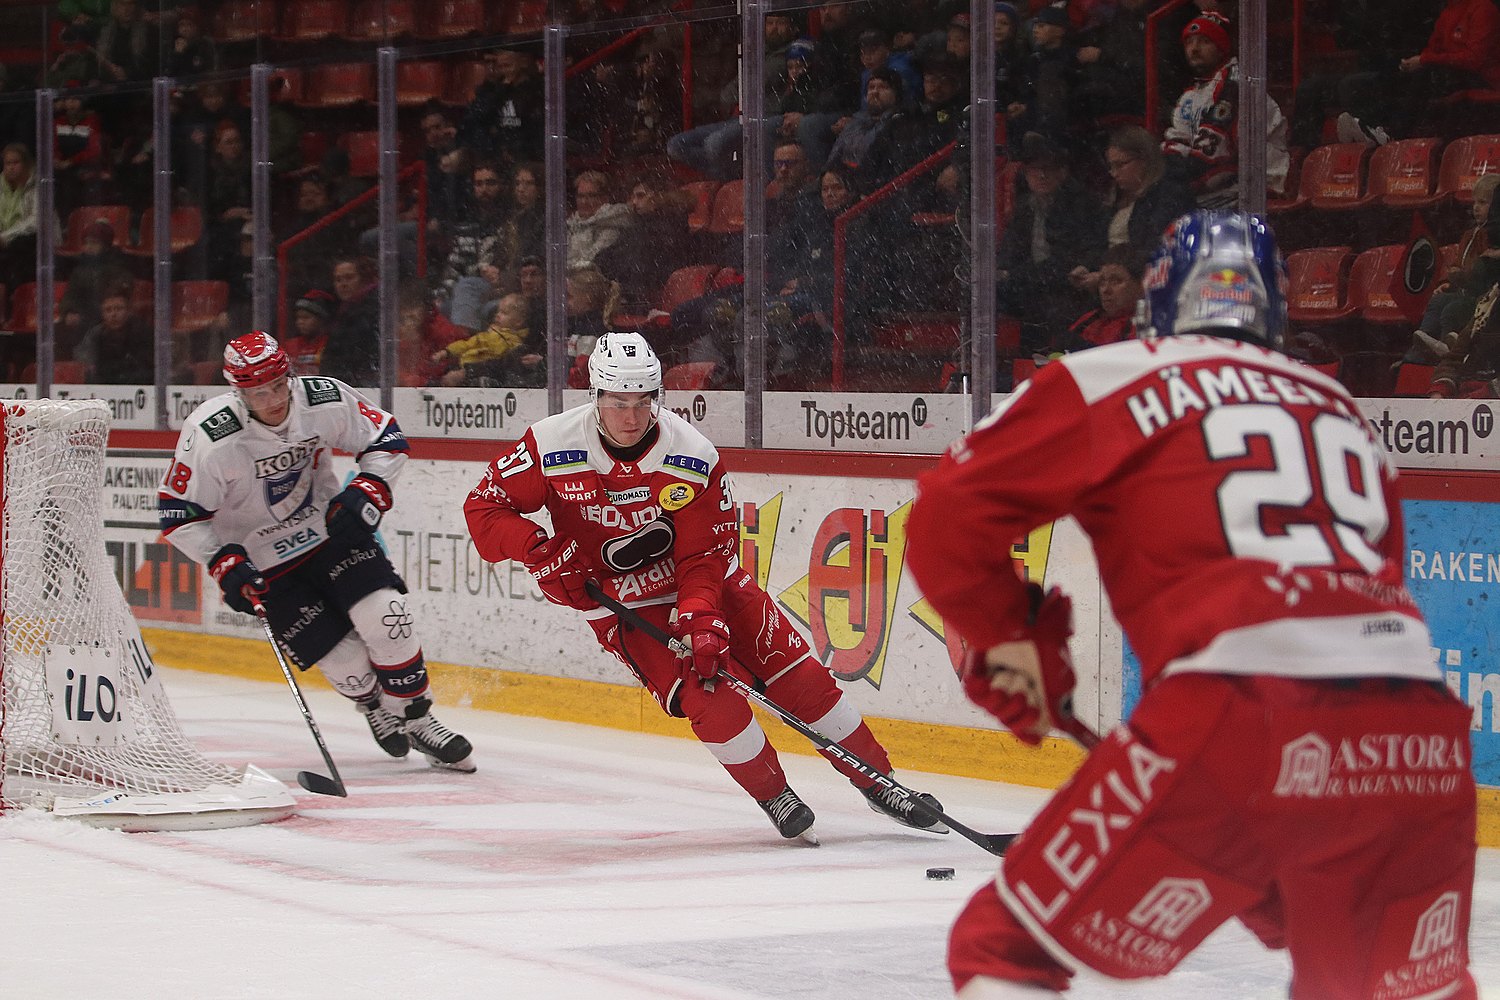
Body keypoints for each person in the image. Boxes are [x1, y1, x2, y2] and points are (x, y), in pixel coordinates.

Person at [906, 211, 1477, 999]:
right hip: (1420, 738)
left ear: (1160, 299)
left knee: (1006, 953)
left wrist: (1010, 635)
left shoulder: (1112, 373)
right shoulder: (1339, 407)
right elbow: (1368, 585)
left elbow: (946, 518)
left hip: (1239, 711)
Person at [462, 331, 945, 841]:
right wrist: (539, 550)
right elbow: (484, 508)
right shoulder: (550, 443)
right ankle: (773, 794)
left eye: (642, 402)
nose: (630, 416)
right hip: (624, 604)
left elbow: (703, 554)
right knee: (708, 696)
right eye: (617, 402)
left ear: (658, 399)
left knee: (800, 678)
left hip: (709, 584)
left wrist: (699, 615)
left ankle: (880, 783)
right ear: (594, 396)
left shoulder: (690, 454)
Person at [159, 332, 475, 771]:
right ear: (237, 390)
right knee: (347, 663)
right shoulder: (211, 435)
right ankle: (375, 707)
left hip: (328, 533)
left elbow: (385, 436)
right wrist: (222, 561)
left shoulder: (322, 398)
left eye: (276, 385)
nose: (270, 400)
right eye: (256, 392)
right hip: (264, 562)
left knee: (388, 617)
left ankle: (419, 719)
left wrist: (370, 487)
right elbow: (179, 514)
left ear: (289, 374)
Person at [1162, 12, 1289, 207]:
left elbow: (1211, 161)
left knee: (1169, 200)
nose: (1194, 49)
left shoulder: (1235, 85)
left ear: (1222, 48)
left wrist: (1164, 173)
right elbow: (1178, 141)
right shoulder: (1191, 95)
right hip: (1226, 182)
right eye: (1189, 42)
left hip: (1259, 185)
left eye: (1204, 41)